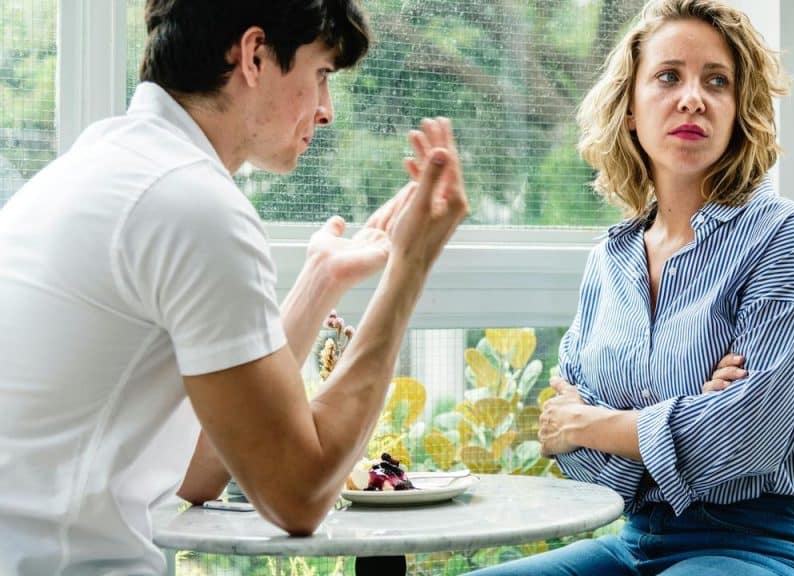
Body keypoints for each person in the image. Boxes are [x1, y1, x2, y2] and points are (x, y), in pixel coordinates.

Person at [0, 1, 467, 574]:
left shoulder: (105, 165)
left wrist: (320, 282)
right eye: (321, 75)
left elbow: (199, 469)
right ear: (253, 55)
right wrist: (409, 267)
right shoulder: (191, 202)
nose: (326, 111)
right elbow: (298, 498)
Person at [469, 1, 794, 575]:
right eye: (668, 76)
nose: (692, 97)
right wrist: (697, 414)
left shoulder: (785, 236)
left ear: (738, 109)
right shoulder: (609, 260)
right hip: (632, 540)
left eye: (717, 81)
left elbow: (753, 434)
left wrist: (601, 423)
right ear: (630, 108)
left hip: (765, 544)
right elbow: (571, 451)